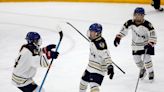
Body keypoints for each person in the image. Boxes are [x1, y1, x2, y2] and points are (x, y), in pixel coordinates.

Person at [114, 7, 157, 82]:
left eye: (140, 15)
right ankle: (142, 70)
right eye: (136, 15)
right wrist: (118, 37)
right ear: (134, 15)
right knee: (137, 61)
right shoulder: (130, 22)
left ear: (143, 16)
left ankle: (151, 72)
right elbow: (123, 30)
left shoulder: (148, 24)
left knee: (147, 59)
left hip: (146, 45)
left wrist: (151, 43)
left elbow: (153, 34)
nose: (138, 16)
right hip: (135, 46)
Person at [79, 23, 114, 92]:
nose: (89, 33)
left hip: (99, 69)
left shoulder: (100, 44)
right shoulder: (94, 40)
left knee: (93, 86)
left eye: (91, 31)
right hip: (90, 67)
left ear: (97, 33)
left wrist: (110, 66)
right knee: (83, 83)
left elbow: (107, 56)